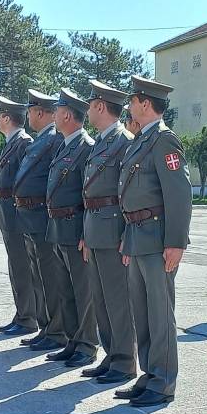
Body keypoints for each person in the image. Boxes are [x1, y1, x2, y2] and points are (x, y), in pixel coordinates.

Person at [113, 75, 191, 407]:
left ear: (146, 103)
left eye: (132, 101)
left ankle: (163, 382)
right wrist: (126, 239)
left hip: (158, 240)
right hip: (137, 237)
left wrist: (176, 243)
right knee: (142, 313)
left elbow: (179, 195)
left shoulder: (163, 140)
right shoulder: (140, 140)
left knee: (160, 314)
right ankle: (149, 373)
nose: (129, 106)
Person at [80, 79, 138, 384]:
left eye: (90, 105)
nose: (88, 110)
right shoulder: (102, 140)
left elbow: (128, 193)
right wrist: (86, 234)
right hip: (96, 230)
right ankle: (111, 354)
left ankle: (126, 361)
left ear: (101, 106)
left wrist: (126, 236)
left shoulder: (124, 141)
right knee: (101, 300)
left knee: (118, 300)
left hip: (114, 231)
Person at [44, 88, 99, 368]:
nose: (53, 115)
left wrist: (85, 233)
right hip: (58, 228)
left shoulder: (86, 147)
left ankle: (88, 344)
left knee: (82, 290)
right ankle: (72, 341)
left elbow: (89, 195)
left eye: (56, 110)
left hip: (75, 227)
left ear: (67, 114)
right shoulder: (64, 145)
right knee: (65, 289)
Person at [14, 89, 68, 352]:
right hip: (31, 219)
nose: (28, 116)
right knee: (39, 277)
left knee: (49, 278)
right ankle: (47, 327)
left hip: (42, 218)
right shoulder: (40, 140)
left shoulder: (54, 140)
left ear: (39, 112)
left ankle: (56, 331)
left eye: (30, 111)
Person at [0, 95, 39, 337]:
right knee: (16, 266)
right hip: (8, 214)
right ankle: (22, 314)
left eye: (0, 116)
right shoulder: (14, 142)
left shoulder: (23, 143)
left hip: (17, 215)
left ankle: (28, 317)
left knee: (22, 267)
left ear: (7, 118)